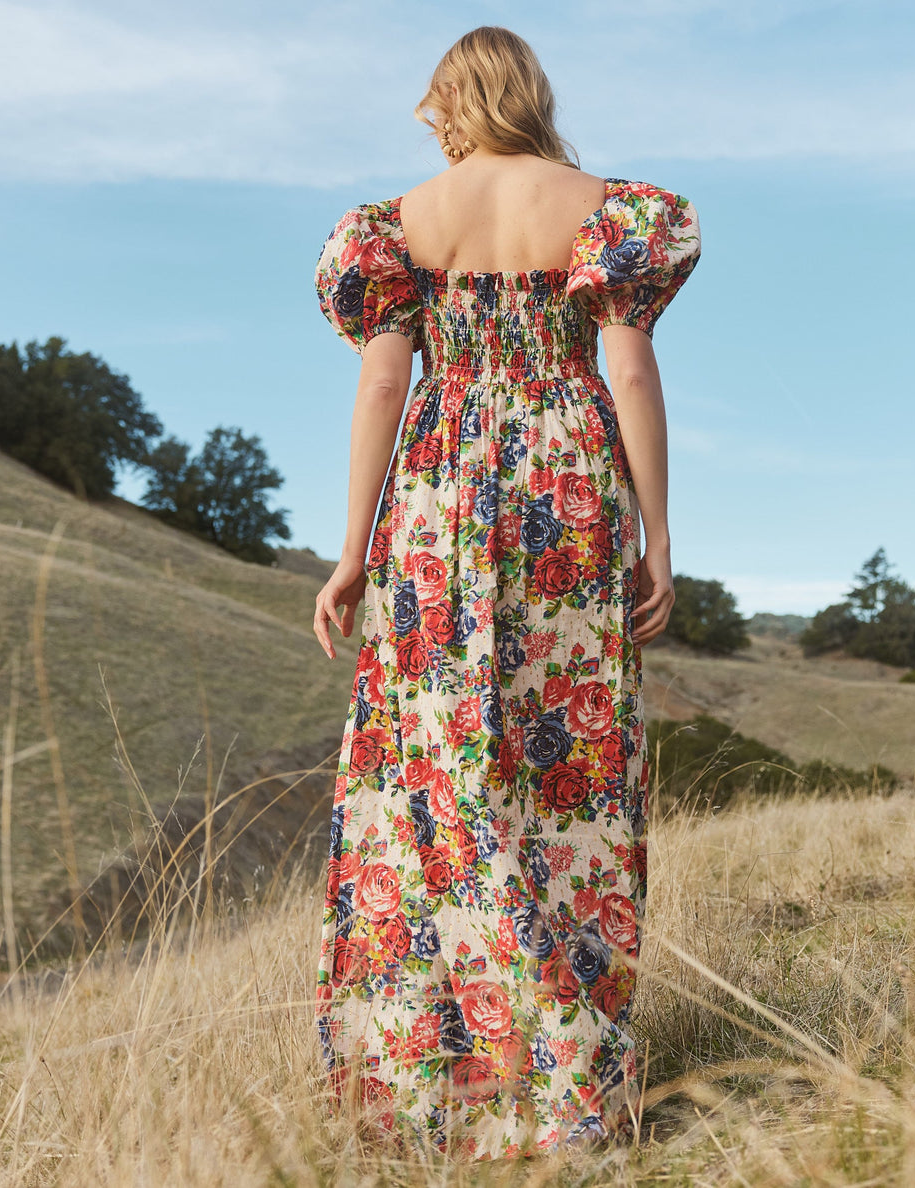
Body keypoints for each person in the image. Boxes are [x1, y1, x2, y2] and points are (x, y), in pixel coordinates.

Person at [310, 25, 700, 1160]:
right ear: (533, 94)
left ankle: (442, 1088)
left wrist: (352, 548)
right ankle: (571, 1086)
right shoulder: (611, 211)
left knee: (432, 767)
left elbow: (386, 379)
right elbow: (627, 366)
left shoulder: (392, 230)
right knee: (567, 774)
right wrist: (657, 531)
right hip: (563, 493)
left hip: (436, 497)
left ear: (447, 101)